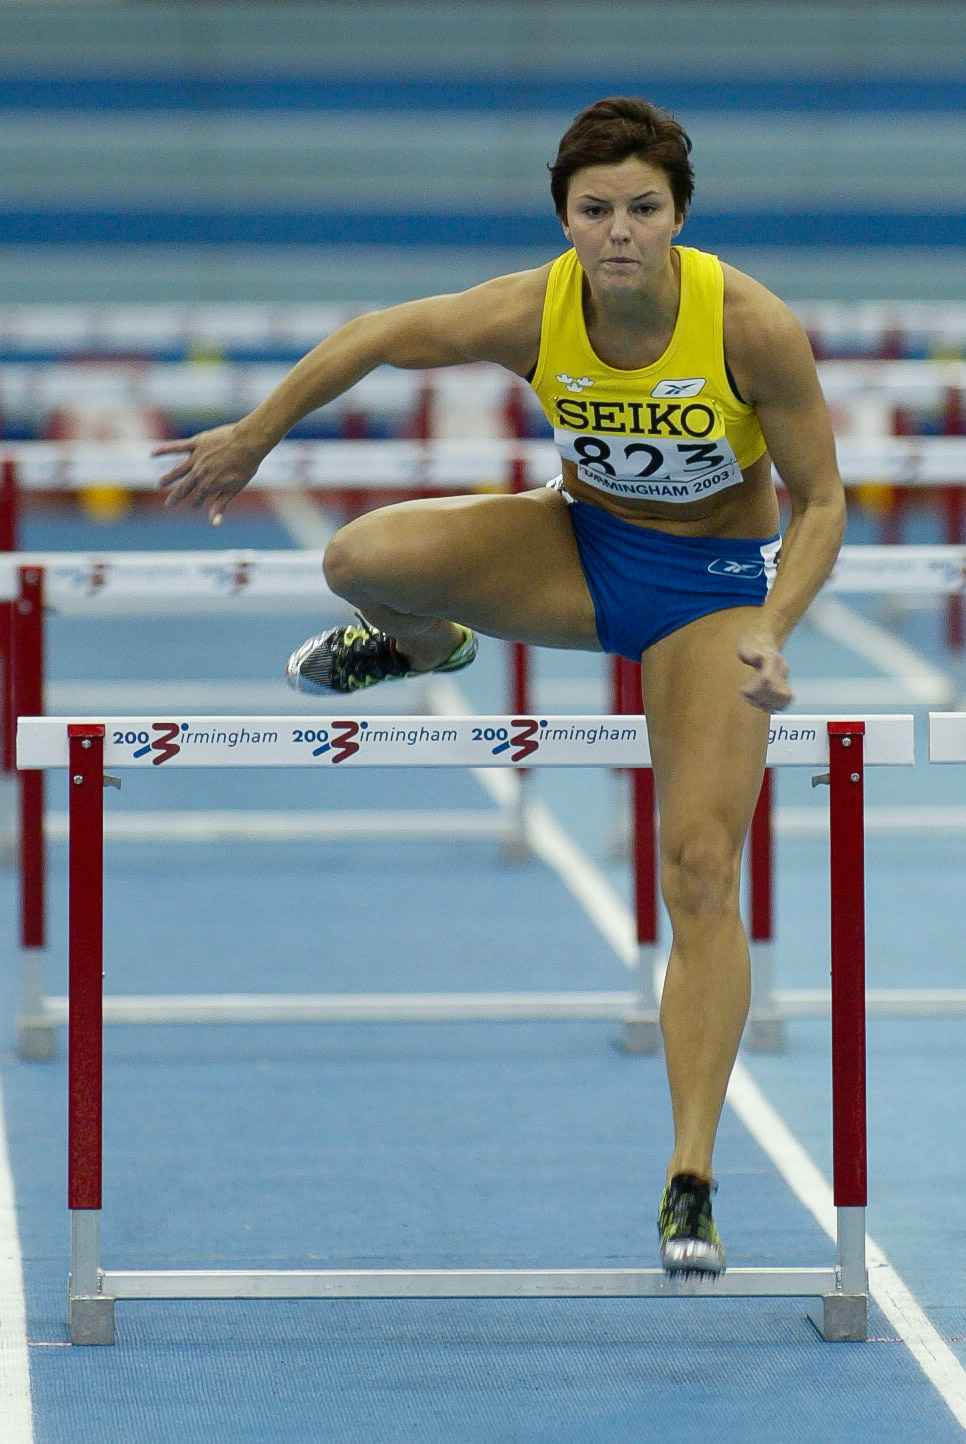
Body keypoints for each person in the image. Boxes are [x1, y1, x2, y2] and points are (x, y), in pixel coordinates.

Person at [155, 96, 846, 1275]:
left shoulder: (751, 326)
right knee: (356, 558)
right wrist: (259, 432)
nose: (619, 231)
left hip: (713, 593)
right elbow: (374, 334)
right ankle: (423, 646)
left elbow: (824, 500)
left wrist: (776, 627)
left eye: (643, 209)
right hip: (578, 550)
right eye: (595, 211)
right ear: (565, 220)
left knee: (696, 865)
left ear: (678, 216)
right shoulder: (535, 307)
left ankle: (690, 1174)